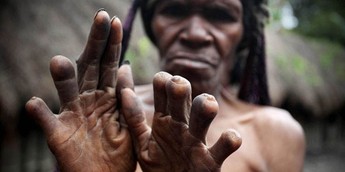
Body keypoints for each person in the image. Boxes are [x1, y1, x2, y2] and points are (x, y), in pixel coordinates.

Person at [25, 0, 306, 171]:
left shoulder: (275, 132)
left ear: (244, 33)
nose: (195, 34)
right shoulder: (102, 124)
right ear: (151, 24)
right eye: (174, 10)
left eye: (221, 15)